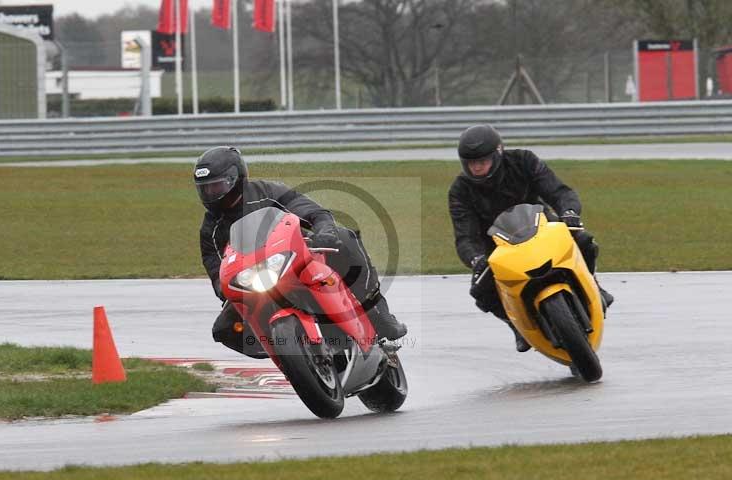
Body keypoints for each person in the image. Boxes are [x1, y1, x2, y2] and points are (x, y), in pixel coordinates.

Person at [195, 146, 407, 358]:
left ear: (236, 179)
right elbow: (216, 270)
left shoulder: (267, 192)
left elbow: (311, 211)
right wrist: (224, 289)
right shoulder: (210, 230)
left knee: (345, 239)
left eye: (217, 187)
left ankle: (377, 310)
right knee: (223, 329)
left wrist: (324, 229)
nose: (211, 194)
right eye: (206, 189)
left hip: (296, 257)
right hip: (256, 281)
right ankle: (283, 355)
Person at [448, 125, 613, 352]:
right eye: (470, 163)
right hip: (499, 249)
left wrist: (569, 213)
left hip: (542, 229)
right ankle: (515, 324)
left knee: (583, 240)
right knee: (480, 290)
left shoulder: (524, 161)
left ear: (497, 154)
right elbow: (464, 236)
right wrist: (476, 259)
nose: (476, 167)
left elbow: (559, 191)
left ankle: (593, 284)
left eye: (482, 161)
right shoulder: (460, 190)